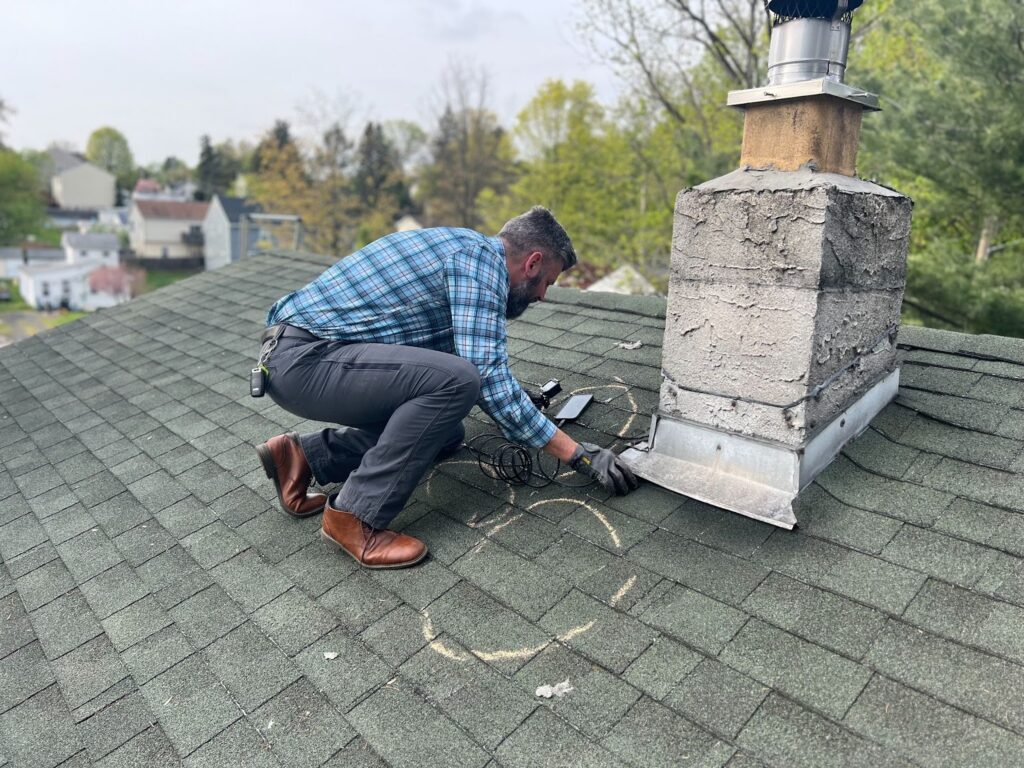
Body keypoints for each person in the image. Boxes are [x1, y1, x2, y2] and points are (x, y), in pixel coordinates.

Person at [255, 207, 639, 569]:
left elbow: (446, 368)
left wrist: (518, 400)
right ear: (532, 262)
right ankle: (355, 516)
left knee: (445, 428)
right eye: (546, 282)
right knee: (460, 381)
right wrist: (578, 454)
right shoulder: (478, 263)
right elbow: (481, 375)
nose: (542, 296)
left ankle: (304, 455)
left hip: (300, 358)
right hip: (307, 361)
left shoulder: (460, 250)